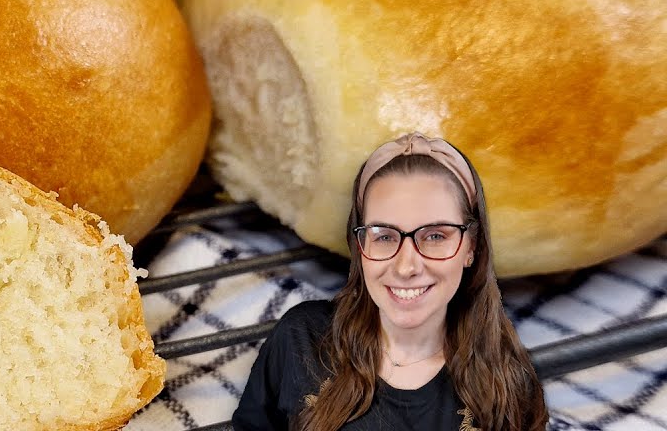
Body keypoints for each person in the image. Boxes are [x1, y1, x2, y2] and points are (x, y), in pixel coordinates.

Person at [232, 132, 549, 430]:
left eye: (435, 235)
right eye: (384, 236)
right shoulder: (301, 339)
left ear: (471, 247)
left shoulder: (509, 383)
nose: (406, 265)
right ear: (361, 247)